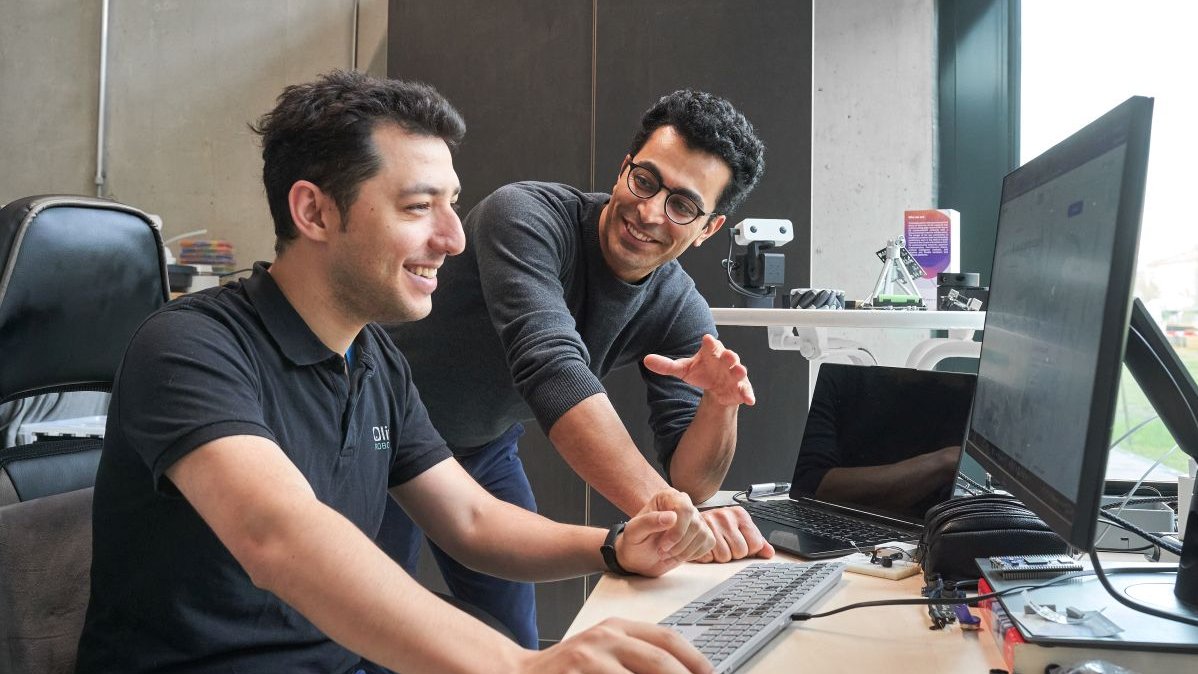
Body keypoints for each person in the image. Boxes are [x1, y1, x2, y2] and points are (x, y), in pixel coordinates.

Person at [75, 70, 718, 674]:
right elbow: (280, 537)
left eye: (452, 204)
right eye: (418, 207)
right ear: (315, 213)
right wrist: (517, 665)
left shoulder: (377, 361)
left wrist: (612, 545)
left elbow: (470, 521)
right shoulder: (190, 347)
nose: (454, 238)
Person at [386, 89, 775, 647]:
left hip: (480, 446)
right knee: (368, 631)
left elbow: (690, 480)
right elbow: (550, 368)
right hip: (378, 431)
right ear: (624, 169)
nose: (648, 212)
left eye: (682, 206)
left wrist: (720, 408)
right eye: (645, 181)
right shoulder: (524, 215)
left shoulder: (679, 306)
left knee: (515, 637)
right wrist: (679, 519)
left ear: (708, 228)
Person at [793, 363, 975, 517]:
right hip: (828, 518)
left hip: (911, 536)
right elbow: (810, 486)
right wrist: (944, 461)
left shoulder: (957, 398)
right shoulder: (845, 380)